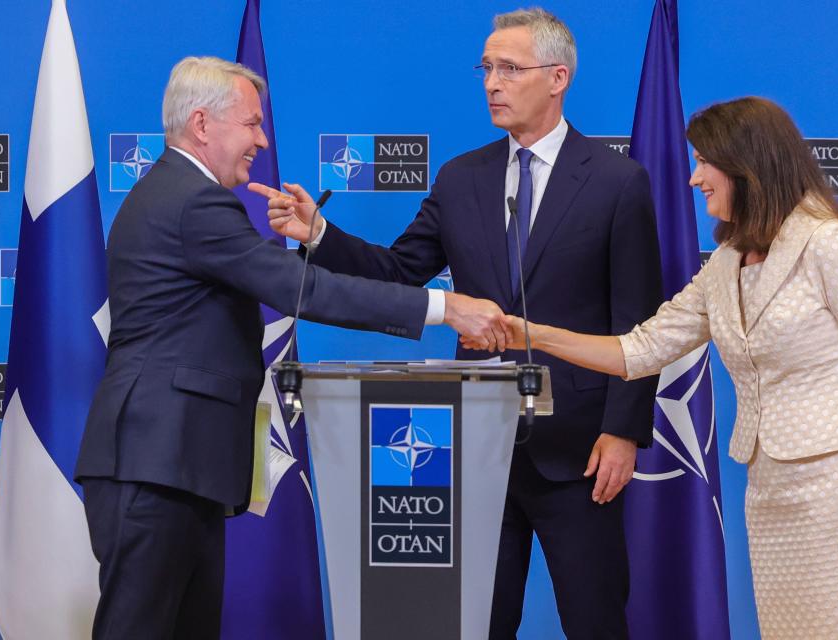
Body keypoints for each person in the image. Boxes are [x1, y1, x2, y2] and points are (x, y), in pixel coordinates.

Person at [250, 8, 662, 638]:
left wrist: (624, 431)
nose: (492, 82)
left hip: (579, 449)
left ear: (558, 78)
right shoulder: (461, 176)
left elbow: (637, 320)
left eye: (509, 68)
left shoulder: (617, 181)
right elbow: (397, 271)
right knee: (478, 621)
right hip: (475, 445)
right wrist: (320, 234)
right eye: (487, 68)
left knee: (595, 617)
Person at [73, 56, 508, 639]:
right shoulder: (190, 201)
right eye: (251, 123)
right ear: (202, 124)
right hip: (156, 466)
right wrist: (443, 308)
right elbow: (300, 287)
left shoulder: (176, 193)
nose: (263, 138)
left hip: (177, 465)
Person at [493, 96, 838, 639]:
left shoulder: (825, 244)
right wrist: (532, 334)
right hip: (771, 484)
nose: (695, 176)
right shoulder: (726, 263)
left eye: (704, 161)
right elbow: (639, 350)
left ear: (747, 165)